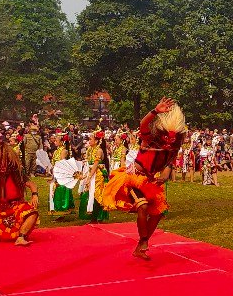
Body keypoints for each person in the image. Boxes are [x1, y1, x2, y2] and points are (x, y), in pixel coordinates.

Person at [99, 97, 186, 259]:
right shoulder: (150, 139)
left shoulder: (172, 150)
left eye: (173, 139)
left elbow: (168, 167)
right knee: (143, 206)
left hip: (150, 182)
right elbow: (143, 125)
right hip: (134, 178)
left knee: (159, 212)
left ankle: (140, 246)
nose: (170, 141)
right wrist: (155, 111)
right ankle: (144, 241)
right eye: (168, 137)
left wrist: (164, 178)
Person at [78, 130, 110, 222]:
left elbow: (96, 165)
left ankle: (97, 217)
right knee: (88, 195)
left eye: (91, 139)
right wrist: (84, 175)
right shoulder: (89, 150)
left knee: (97, 195)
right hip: (91, 172)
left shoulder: (99, 150)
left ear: (96, 141)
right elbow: (89, 164)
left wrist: (89, 177)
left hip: (98, 175)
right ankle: (92, 216)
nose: (89, 141)